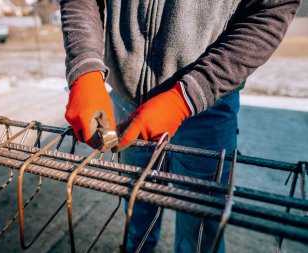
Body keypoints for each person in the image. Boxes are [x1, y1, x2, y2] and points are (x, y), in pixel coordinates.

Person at [60, 1, 300, 252]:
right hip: (126, 100)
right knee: (136, 201)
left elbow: (272, 8)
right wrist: (85, 71)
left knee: (200, 222)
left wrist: (186, 98)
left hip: (206, 106)